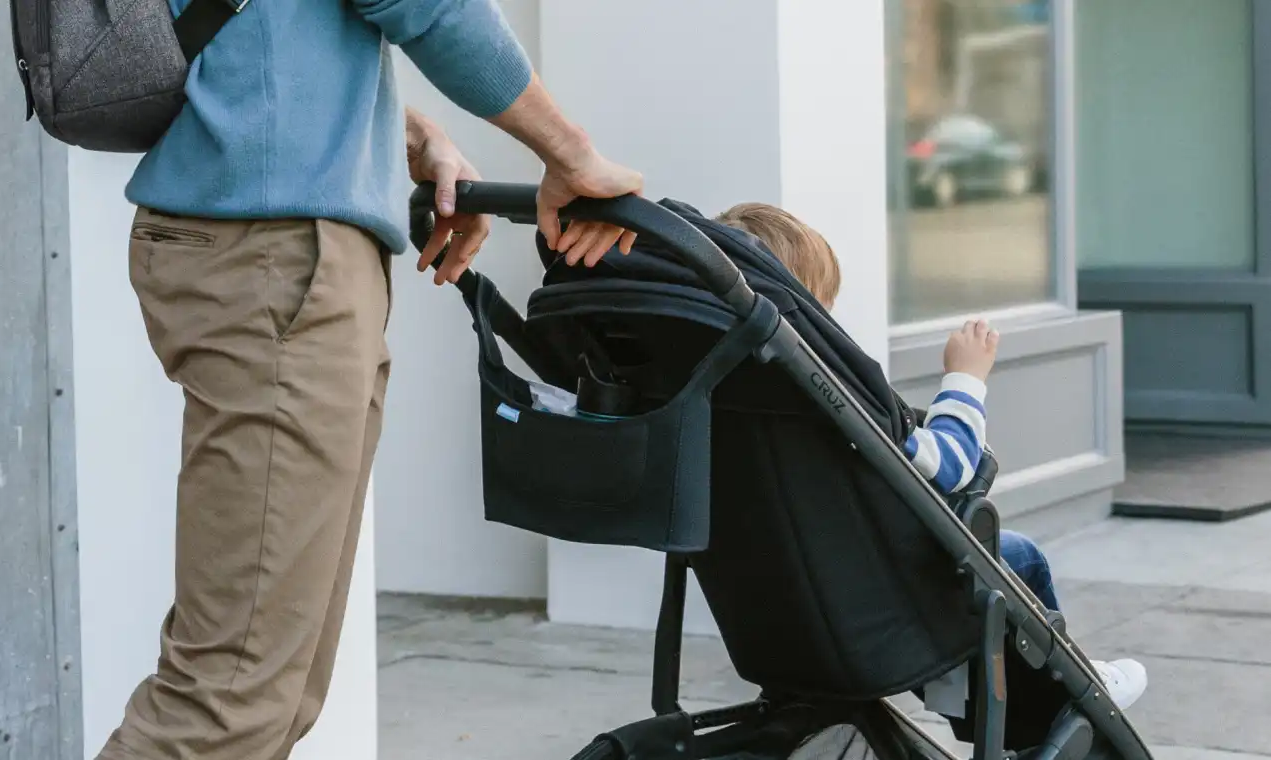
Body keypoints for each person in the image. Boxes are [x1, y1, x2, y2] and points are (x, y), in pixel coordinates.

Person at [97, 2, 642, 759]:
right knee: (228, 701)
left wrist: (404, 132)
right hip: (274, 256)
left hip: (271, 246)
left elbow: (270, 36)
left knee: (277, 692)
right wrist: (570, 152)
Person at [712, 203, 1148, 710]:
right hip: (872, 608)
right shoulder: (829, 390)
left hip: (773, 611)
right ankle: (1069, 691)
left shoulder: (712, 399)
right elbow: (949, 466)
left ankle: (963, 681)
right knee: (1017, 555)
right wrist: (966, 377)